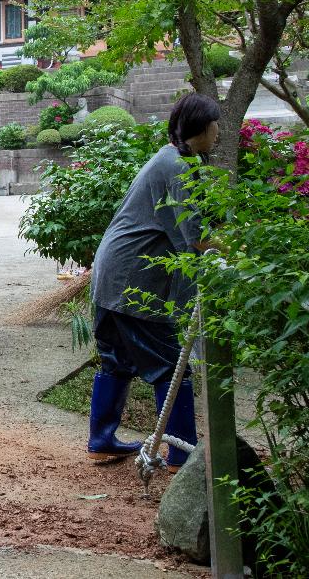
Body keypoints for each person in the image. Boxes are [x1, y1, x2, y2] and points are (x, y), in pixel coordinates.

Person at [85, 93, 219, 469]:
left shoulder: (172, 158)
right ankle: (181, 453)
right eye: (216, 123)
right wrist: (242, 249)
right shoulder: (177, 165)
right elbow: (194, 236)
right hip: (133, 279)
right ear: (201, 127)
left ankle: (102, 439)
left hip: (114, 271)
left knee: (116, 361)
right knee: (170, 365)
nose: (219, 131)